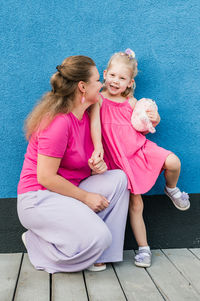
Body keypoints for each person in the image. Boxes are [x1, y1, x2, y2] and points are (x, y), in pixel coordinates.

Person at [17, 55, 130, 274]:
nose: (103, 84)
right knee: (100, 236)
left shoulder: (86, 112)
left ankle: (100, 256)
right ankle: (37, 245)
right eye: (98, 80)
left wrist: (98, 163)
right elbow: (46, 178)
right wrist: (87, 197)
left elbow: (98, 103)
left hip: (66, 193)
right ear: (82, 87)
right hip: (39, 198)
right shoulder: (58, 123)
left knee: (119, 179)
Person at [90, 49, 190, 268]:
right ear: (105, 73)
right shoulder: (97, 100)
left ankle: (171, 189)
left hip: (138, 152)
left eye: (122, 78)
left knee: (173, 161)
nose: (116, 81)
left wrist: (155, 118)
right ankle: (144, 248)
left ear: (130, 82)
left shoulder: (131, 102)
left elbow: (146, 123)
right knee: (135, 202)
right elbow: (92, 125)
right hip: (116, 159)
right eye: (113, 75)